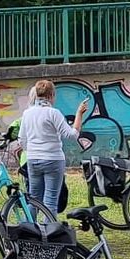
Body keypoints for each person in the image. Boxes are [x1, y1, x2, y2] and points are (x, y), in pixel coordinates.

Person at [17, 79, 87, 218]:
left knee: (34, 200)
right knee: (50, 201)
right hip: (53, 160)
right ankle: (48, 234)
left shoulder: (27, 114)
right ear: (50, 96)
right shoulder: (53, 113)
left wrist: (30, 151)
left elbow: (21, 140)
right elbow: (72, 135)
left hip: (33, 160)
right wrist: (79, 114)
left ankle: (27, 231)